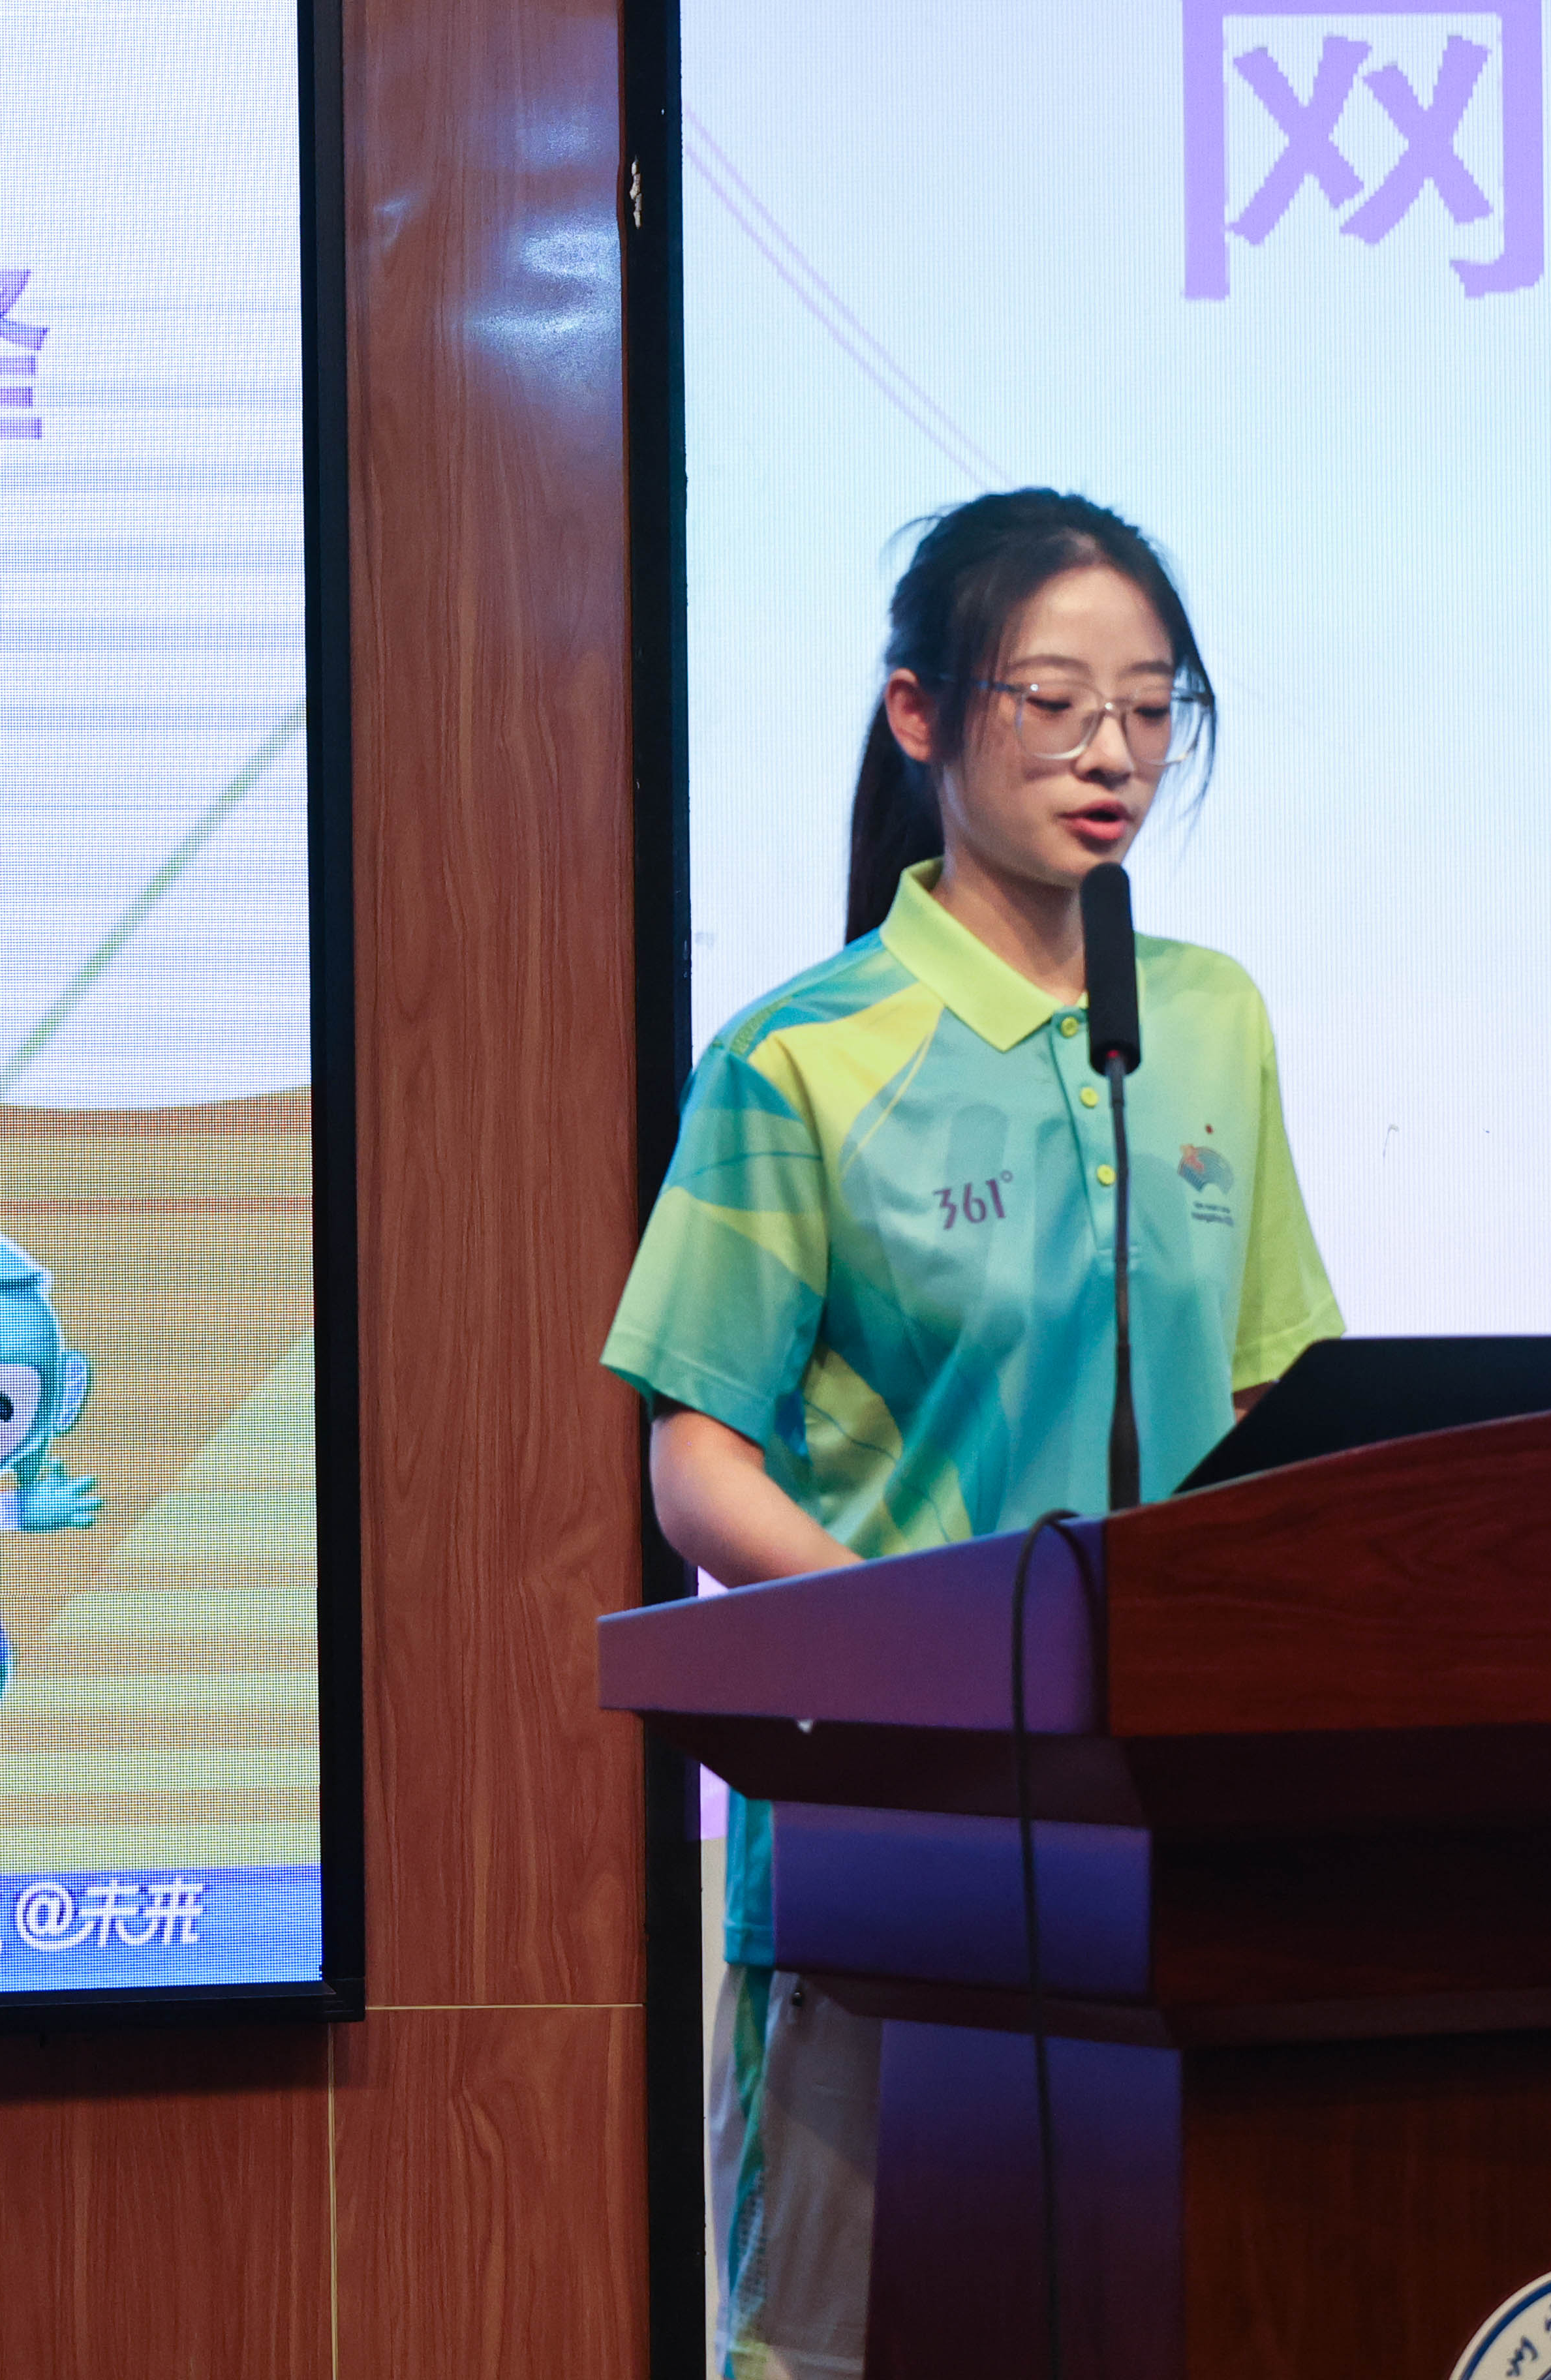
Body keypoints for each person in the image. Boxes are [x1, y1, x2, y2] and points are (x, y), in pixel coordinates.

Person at [600, 489, 1344, 2380]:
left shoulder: (1211, 1021)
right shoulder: (800, 1056)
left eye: (1152, 710)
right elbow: (697, 1462)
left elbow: (1273, 1391)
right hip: (889, 1835)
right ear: (922, 715)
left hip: (1180, 1837)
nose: (1115, 755)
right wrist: (918, 1649)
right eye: (1057, 703)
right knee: (852, 2346)